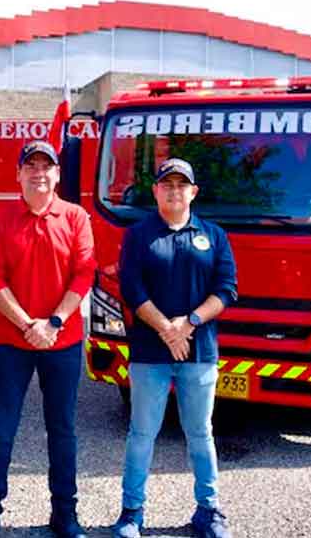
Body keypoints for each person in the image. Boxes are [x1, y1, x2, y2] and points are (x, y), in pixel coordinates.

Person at [0, 140, 97, 538]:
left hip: (64, 339)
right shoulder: (2, 219)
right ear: (19, 173)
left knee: (63, 430)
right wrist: (27, 325)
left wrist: (53, 321)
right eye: (31, 166)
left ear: (57, 174)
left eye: (46, 166)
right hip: (11, 341)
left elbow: (84, 274)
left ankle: (65, 515)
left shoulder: (76, 218)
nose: (39, 173)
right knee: (1, 429)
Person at [112, 158, 238, 538]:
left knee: (200, 433)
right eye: (167, 183)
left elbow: (226, 289)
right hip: (150, 355)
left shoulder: (213, 235)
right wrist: (167, 328)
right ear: (156, 191)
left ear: (193, 192)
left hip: (198, 354)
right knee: (141, 434)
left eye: (182, 184)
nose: (174, 190)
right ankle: (131, 513)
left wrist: (190, 323)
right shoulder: (138, 235)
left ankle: (209, 511)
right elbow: (131, 289)